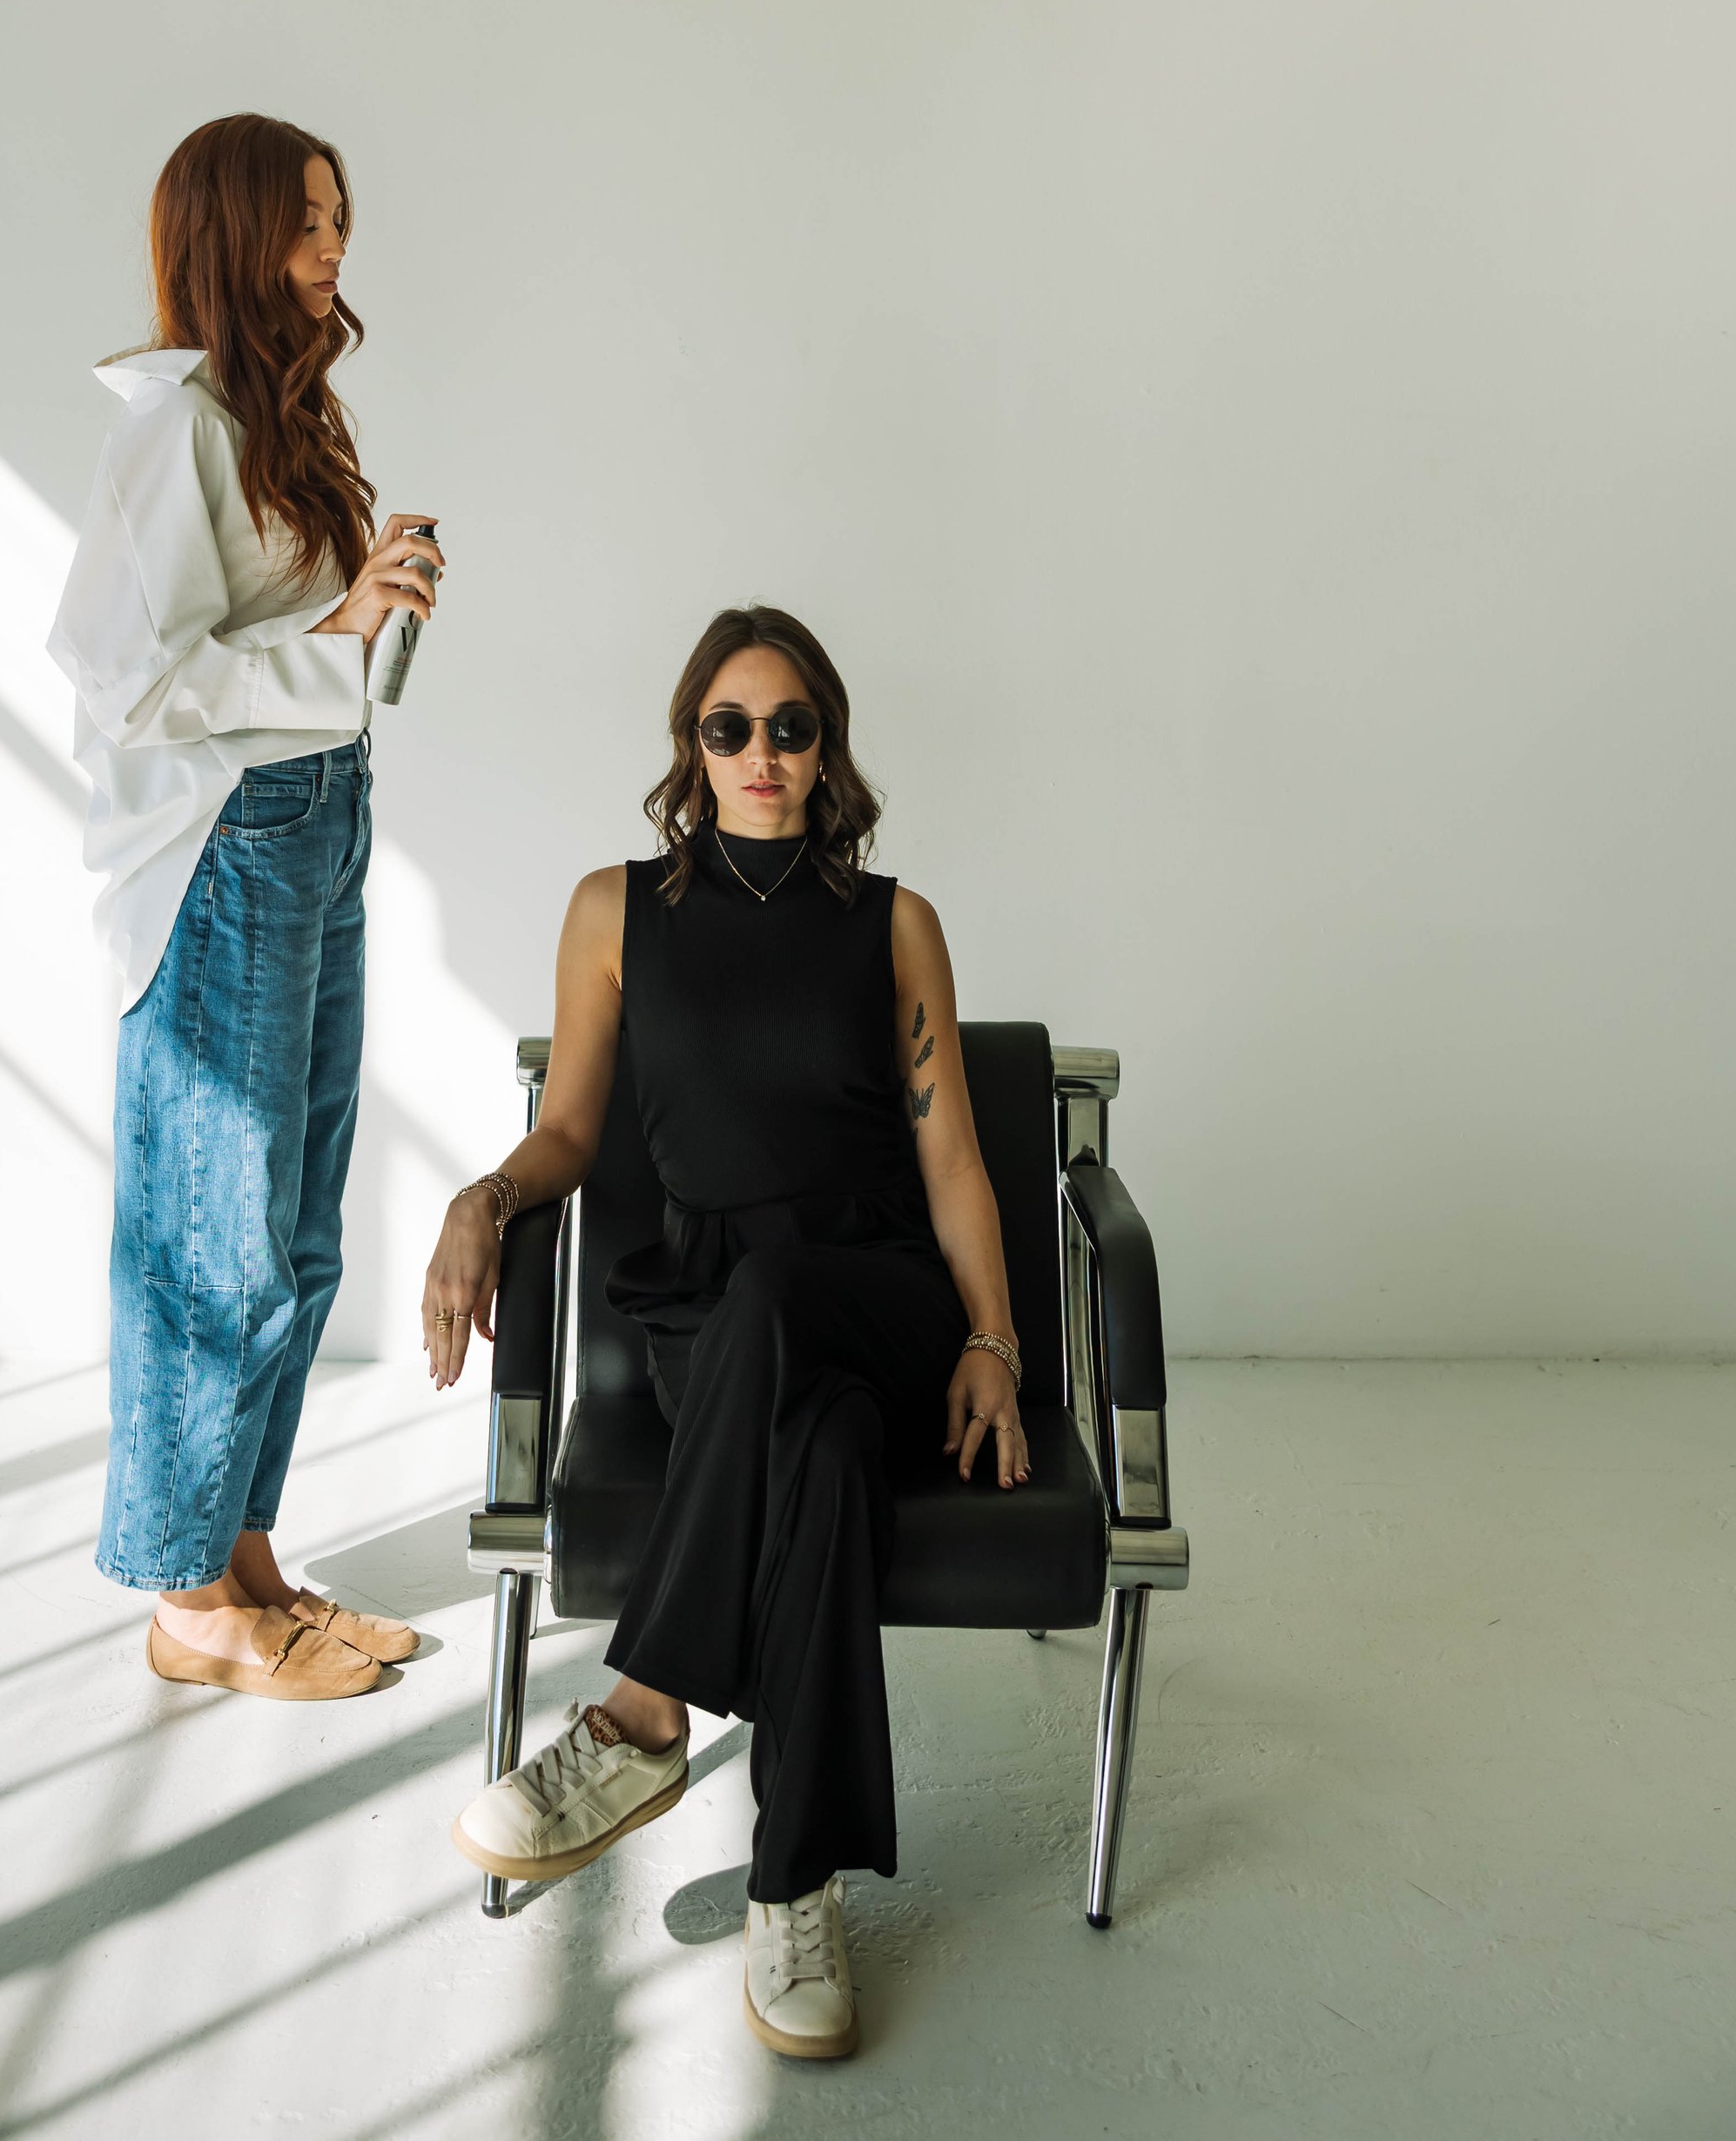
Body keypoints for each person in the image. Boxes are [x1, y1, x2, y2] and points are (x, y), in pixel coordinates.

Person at [420, 605, 1029, 2060]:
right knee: (813, 1462)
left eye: (793, 725)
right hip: (715, 1327)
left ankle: (641, 1714)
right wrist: (482, 1196)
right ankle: (794, 1889)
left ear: (830, 749)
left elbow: (949, 1158)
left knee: (782, 1305)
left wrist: (994, 1337)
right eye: (730, 726)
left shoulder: (893, 925)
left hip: (872, 1293)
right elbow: (568, 1127)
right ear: (691, 750)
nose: (764, 753)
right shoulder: (612, 910)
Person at [50, 111, 446, 1699]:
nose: (331, 247)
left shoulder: (283, 410)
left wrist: (371, 600)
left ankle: (249, 1552)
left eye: (337, 219)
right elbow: (122, 679)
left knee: (293, 1221)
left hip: (316, 817)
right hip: (225, 845)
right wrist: (334, 634)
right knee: (215, 1232)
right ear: (229, 233)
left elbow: (297, 641)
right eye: (302, 222)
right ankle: (190, 1599)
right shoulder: (175, 427)